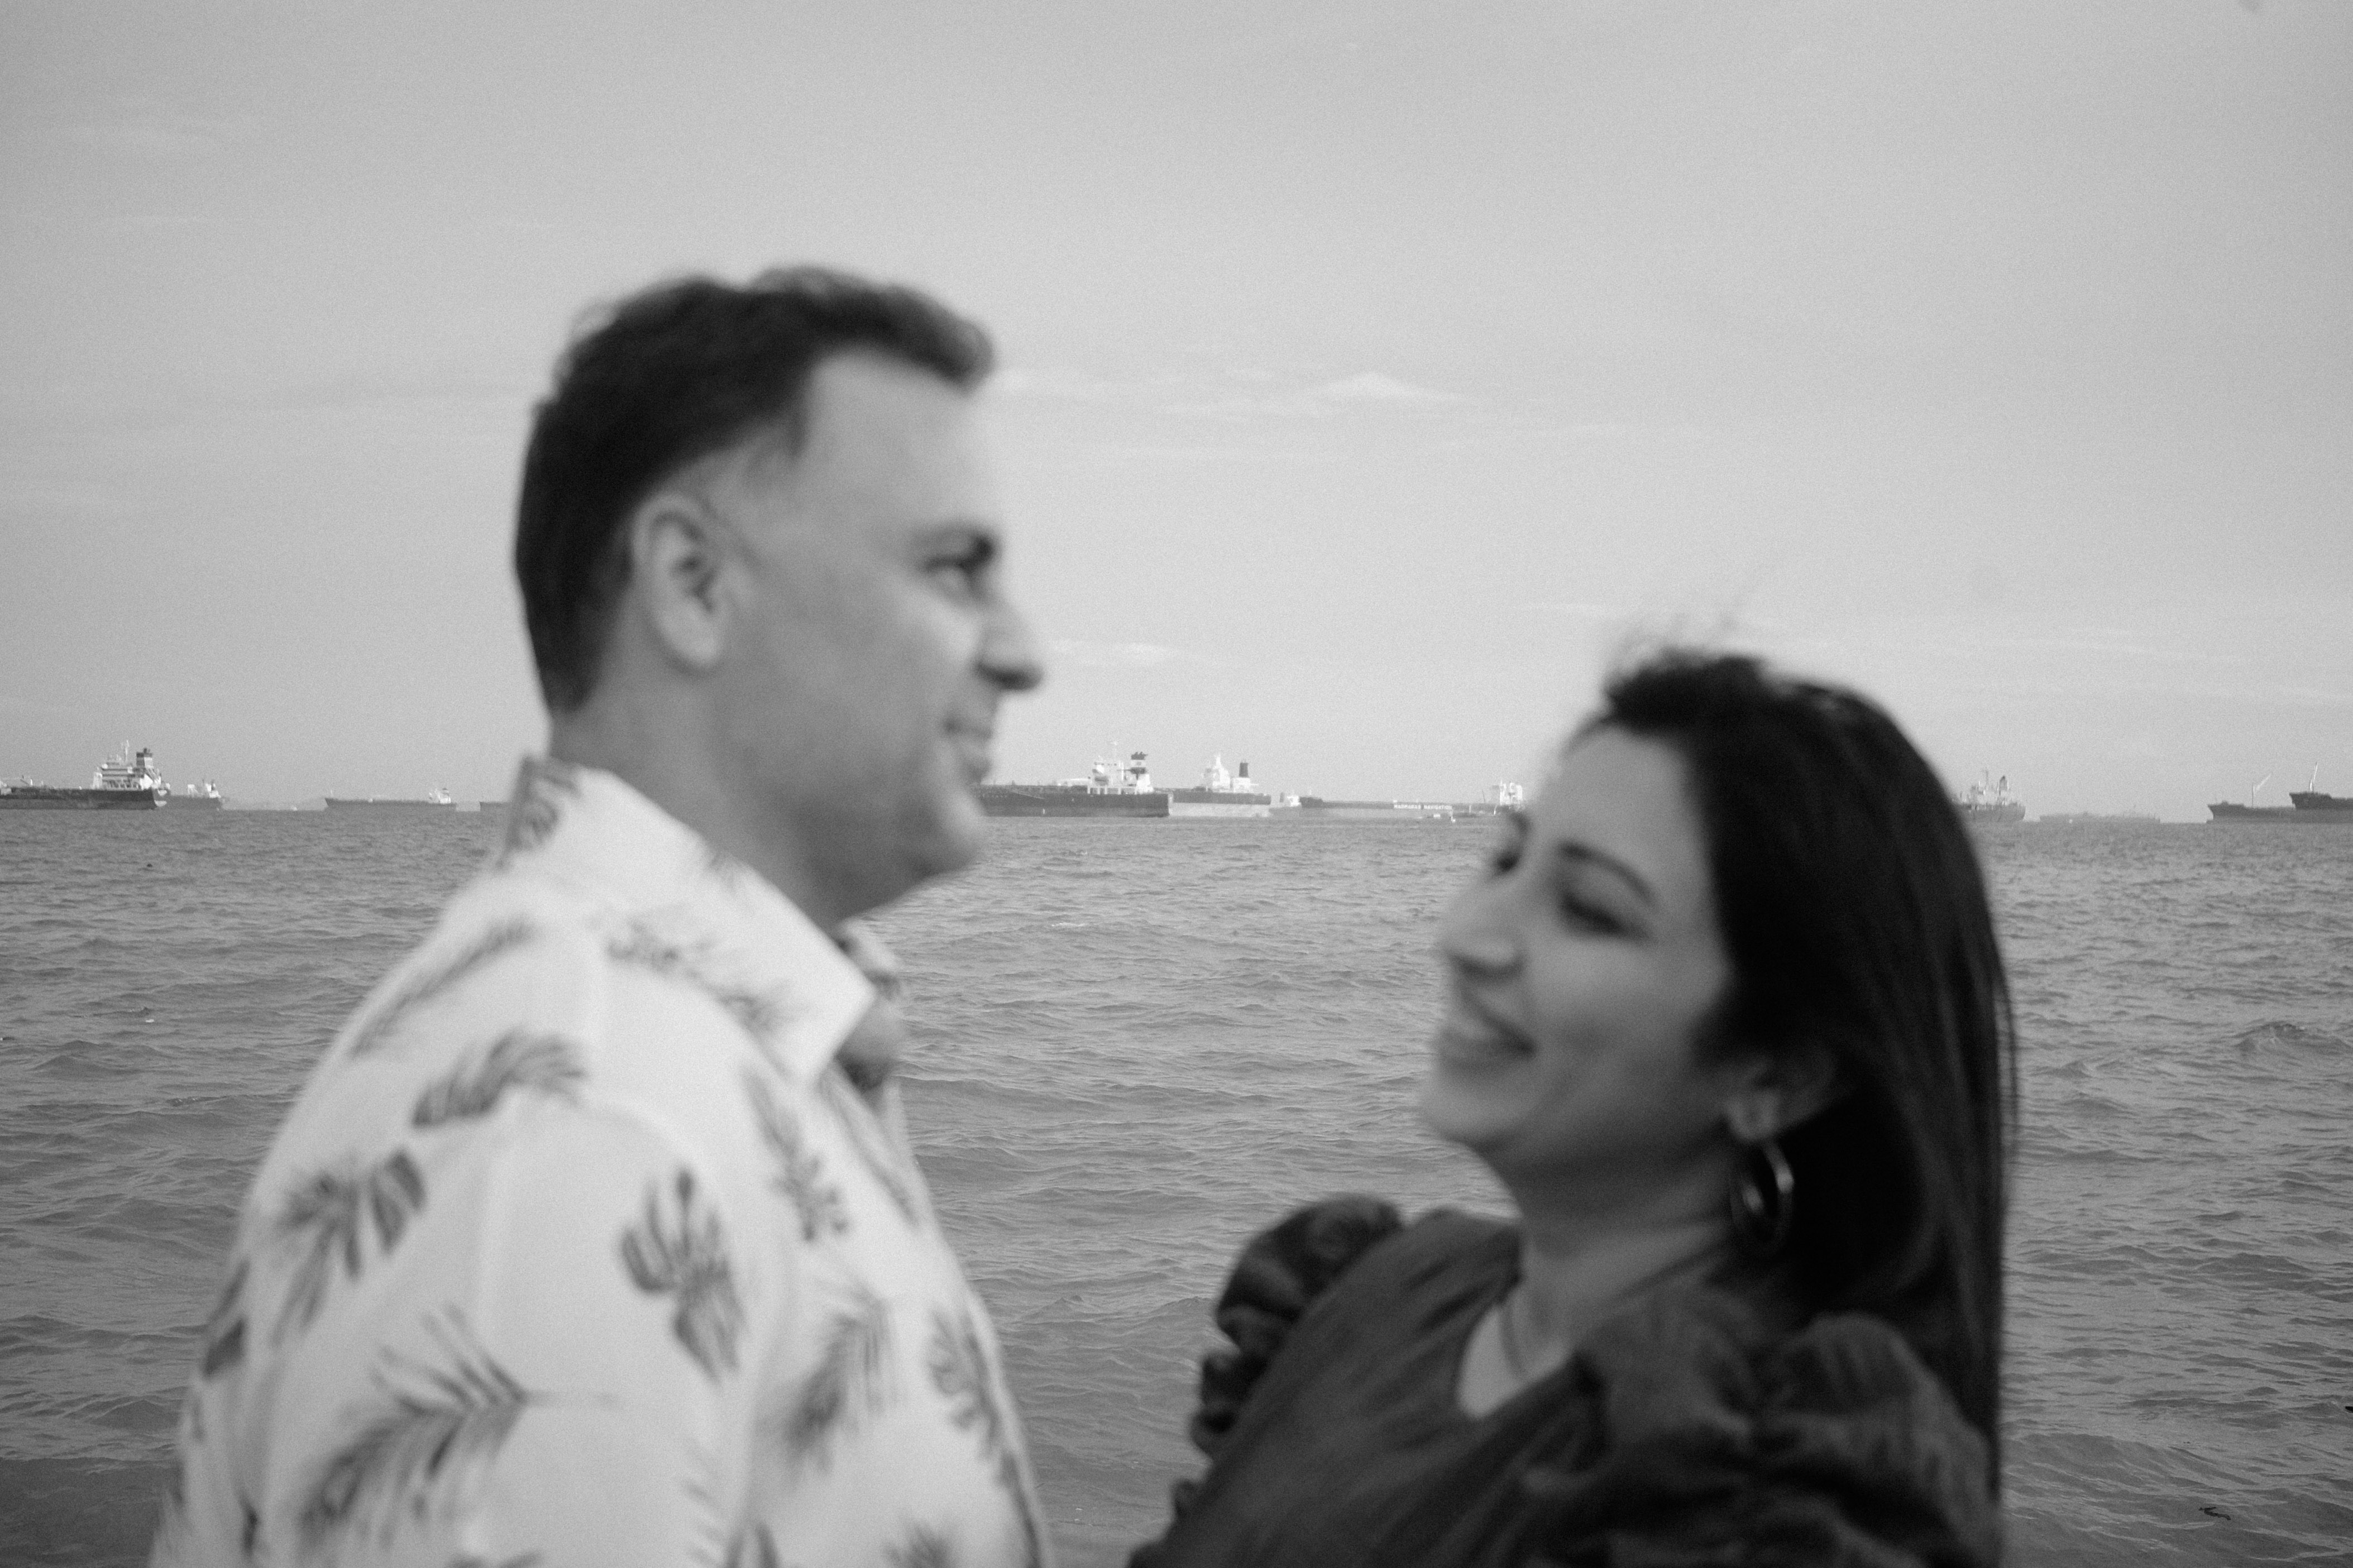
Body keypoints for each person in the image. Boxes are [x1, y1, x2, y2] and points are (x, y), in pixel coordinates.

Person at [152, 268, 1053, 1568]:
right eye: (954, 567)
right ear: (692, 582)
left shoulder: (664, 1059)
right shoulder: (574, 1131)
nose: (1023, 651)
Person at [1131, 650, 2010, 1567]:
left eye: (1589, 909)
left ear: (1776, 1075)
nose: (1464, 935)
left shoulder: (1747, 1488)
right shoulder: (1363, 1290)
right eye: (1504, 860)